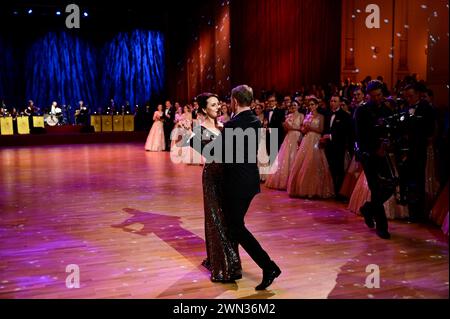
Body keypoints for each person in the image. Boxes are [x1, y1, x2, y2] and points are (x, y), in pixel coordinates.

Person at [223, 85, 281, 290]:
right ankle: (230, 266)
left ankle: (268, 266)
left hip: (237, 182)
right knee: (234, 225)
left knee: (235, 226)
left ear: (235, 101)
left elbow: (225, 157)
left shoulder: (232, 125)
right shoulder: (255, 121)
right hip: (249, 180)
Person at [182, 93, 242, 282]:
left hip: (230, 177)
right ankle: (221, 266)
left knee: (230, 220)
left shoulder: (225, 126)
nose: (218, 107)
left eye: (219, 104)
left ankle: (232, 263)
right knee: (215, 219)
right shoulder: (200, 130)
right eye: (213, 105)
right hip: (213, 177)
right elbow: (208, 153)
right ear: (203, 109)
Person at [354, 80, 394, 239]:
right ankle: (382, 226)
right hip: (368, 155)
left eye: (380, 95)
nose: (378, 98)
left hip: (383, 153)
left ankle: (368, 209)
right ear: (368, 96)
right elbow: (359, 135)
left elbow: (389, 130)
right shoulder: (362, 111)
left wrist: (386, 145)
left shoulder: (386, 110)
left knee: (389, 186)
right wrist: (372, 150)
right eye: (374, 96)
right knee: (376, 189)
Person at [287, 97, 334, 199]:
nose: (311, 106)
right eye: (310, 105)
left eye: (313, 104)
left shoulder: (321, 116)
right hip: (307, 139)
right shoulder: (307, 116)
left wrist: (310, 127)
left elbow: (321, 129)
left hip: (316, 139)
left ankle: (316, 189)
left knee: (314, 161)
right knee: (303, 162)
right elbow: (303, 130)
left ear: (317, 105)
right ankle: (302, 188)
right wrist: (304, 129)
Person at [265, 101, 304, 190]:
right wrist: (285, 126)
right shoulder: (288, 116)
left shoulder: (301, 115)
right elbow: (285, 128)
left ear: (298, 106)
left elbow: (301, 127)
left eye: (295, 105)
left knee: (294, 156)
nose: (293, 107)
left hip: (297, 136)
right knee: (285, 157)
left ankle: (294, 181)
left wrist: (294, 129)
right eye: (292, 105)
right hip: (289, 136)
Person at [320, 94, 353, 198]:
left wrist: (330, 136)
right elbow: (326, 128)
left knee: (339, 169)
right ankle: (332, 190)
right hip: (328, 145)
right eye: (331, 101)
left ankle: (340, 192)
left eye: (335, 101)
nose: (332, 103)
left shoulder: (345, 115)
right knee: (330, 168)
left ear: (339, 103)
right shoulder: (328, 114)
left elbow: (345, 132)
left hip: (339, 146)